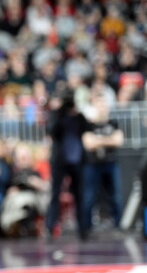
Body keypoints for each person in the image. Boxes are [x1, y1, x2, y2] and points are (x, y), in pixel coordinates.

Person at [45, 88, 88, 240]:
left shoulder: (78, 116)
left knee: (80, 195)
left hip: (76, 160)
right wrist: (60, 113)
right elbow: (51, 131)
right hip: (60, 161)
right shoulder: (57, 115)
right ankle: (50, 228)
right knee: (55, 193)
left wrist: (78, 113)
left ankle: (84, 230)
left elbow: (87, 127)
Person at [81, 93, 124, 236]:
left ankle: (118, 226)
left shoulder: (113, 122)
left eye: (104, 104)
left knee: (116, 196)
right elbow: (88, 143)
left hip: (110, 163)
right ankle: (87, 228)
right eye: (99, 104)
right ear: (94, 106)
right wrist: (108, 139)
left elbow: (118, 141)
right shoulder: (89, 124)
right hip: (93, 165)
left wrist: (98, 140)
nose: (102, 107)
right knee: (90, 197)